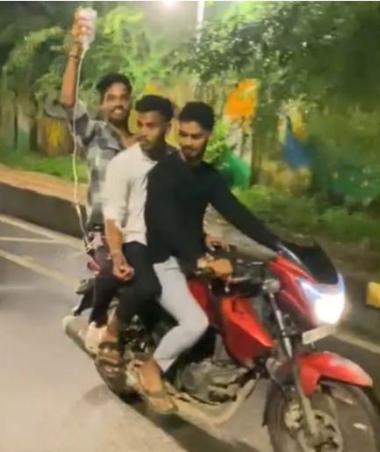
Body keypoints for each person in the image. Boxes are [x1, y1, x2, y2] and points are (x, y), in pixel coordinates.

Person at [140, 101, 281, 412]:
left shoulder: (208, 177)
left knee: (238, 302)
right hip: (164, 260)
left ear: (208, 136)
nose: (189, 143)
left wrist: (279, 246)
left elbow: (237, 213)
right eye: (184, 135)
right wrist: (199, 259)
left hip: (192, 257)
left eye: (196, 136)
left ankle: (216, 365)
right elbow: (165, 225)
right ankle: (151, 369)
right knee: (195, 322)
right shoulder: (163, 174)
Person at [56, 11, 137, 353]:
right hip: (102, 228)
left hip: (138, 228)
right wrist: (76, 49)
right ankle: (97, 321)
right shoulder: (94, 134)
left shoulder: (143, 143)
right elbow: (68, 102)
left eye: (123, 97)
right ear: (103, 104)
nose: (118, 103)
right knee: (111, 268)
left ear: (130, 101)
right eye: (111, 98)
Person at [91, 95, 175, 405]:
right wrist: (116, 254)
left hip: (170, 245)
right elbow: (113, 216)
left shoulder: (176, 162)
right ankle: (112, 332)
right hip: (135, 240)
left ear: (168, 127)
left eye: (151, 126)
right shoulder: (124, 164)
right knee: (148, 286)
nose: (143, 132)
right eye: (140, 124)